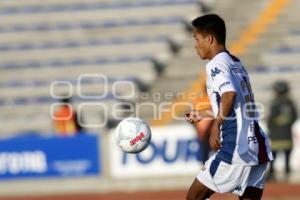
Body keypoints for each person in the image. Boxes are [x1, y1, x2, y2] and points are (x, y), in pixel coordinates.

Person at [184, 14, 273, 200]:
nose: (195, 45)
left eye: (197, 39)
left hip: (235, 147)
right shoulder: (235, 62)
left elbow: (229, 95)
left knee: (193, 197)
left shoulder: (215, 64)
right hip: (257, 146)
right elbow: (236, 103)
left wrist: (216, 125)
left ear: (209, 39)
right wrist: (203, 113)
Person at [267, 80, 297, 181]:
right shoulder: (291, 103)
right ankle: (287, 175)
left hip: (276, 135)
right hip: (287, 135)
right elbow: (295, 117)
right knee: (287, 157)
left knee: (273, 157)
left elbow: (270, 120)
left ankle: (271, 174)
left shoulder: (275, 103)